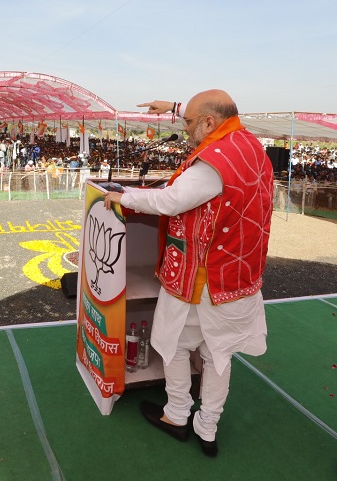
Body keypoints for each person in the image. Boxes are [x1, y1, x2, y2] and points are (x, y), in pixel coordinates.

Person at [103, 90, 273, 456]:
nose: (186, 128)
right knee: (219, 355)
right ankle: (207, 428)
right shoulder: (249, 145)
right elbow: (211, 115)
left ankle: (177, 414)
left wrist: (124, 196)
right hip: (239, 278)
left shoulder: (214, 162)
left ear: (210, 123)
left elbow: (170, 200)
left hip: (202, 280)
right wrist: (175, 107)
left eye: (188, 122)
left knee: (174, 345)